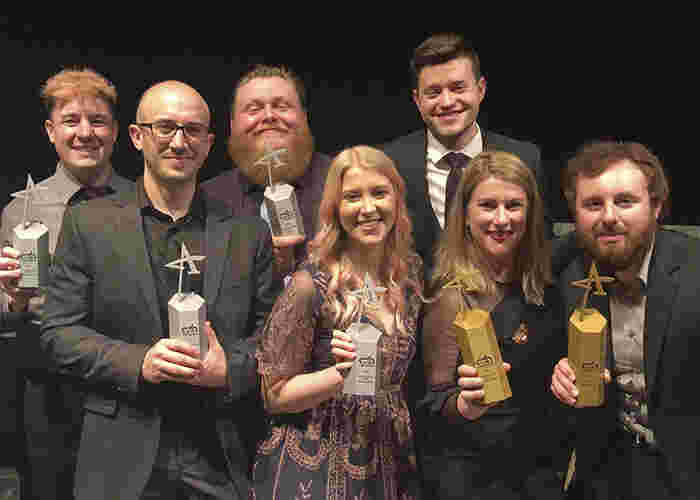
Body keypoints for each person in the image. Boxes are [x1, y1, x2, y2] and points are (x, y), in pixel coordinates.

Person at [39, 80, 281, 499]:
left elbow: (273, 337)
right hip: (121, 451)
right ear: (137, 136)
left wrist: (232, 370)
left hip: (221, 451)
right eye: (164, 127)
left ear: (208, 143)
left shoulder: (248, 231)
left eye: (192, 130)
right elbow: (58, 333)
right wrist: (139, 362)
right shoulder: (89, 223)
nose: (178, 141)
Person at [251, 146, 424, 499]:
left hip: (389, 460)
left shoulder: (410, 276)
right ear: (335, 208)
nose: (368, 208)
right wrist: (337, 377)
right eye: (352, 197)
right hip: (314, 464)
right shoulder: (309, 285)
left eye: (379, 193)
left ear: (397, 199)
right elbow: (274, 395)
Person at [0, 67, 133, 500]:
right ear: (50, 130)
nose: (85, 132)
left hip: (123, 384)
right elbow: (6, 313)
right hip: (48, 388)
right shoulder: (19, 212)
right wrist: (14, 300)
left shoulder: (140, 202)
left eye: (97, 120)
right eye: (71, 120)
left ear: (116, 131)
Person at [550, 141, 699, 499]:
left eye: (625, 201)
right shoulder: (569, 275)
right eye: (592, 204)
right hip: (606, 468)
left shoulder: (693, 271)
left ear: (657, 206)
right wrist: (559, 376)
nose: (609, 216)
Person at [419, 151, 565, 498]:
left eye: (514, 205)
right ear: (465, 215)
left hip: (538, 472)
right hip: (473, 476)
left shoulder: (545, 282)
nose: (502, 219)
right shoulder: (449, 296)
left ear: (530, 213)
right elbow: (432, 404)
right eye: (487, 205)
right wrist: (465, 406)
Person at [382, 32, 549, 274]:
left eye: (458, 87)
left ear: (480, 90)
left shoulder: (524, 158)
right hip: (418, 308)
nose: (447, 101)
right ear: (417, 100)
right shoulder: (390, 163)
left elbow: (541, 245)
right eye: (433, 92)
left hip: (504, 307)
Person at [202, 64, 331, 279]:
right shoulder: (207, 199)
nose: (269, 116)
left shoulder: (345, 181)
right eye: (254, 109)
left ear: (304, 117)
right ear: (232, 124)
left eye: (282, 106)